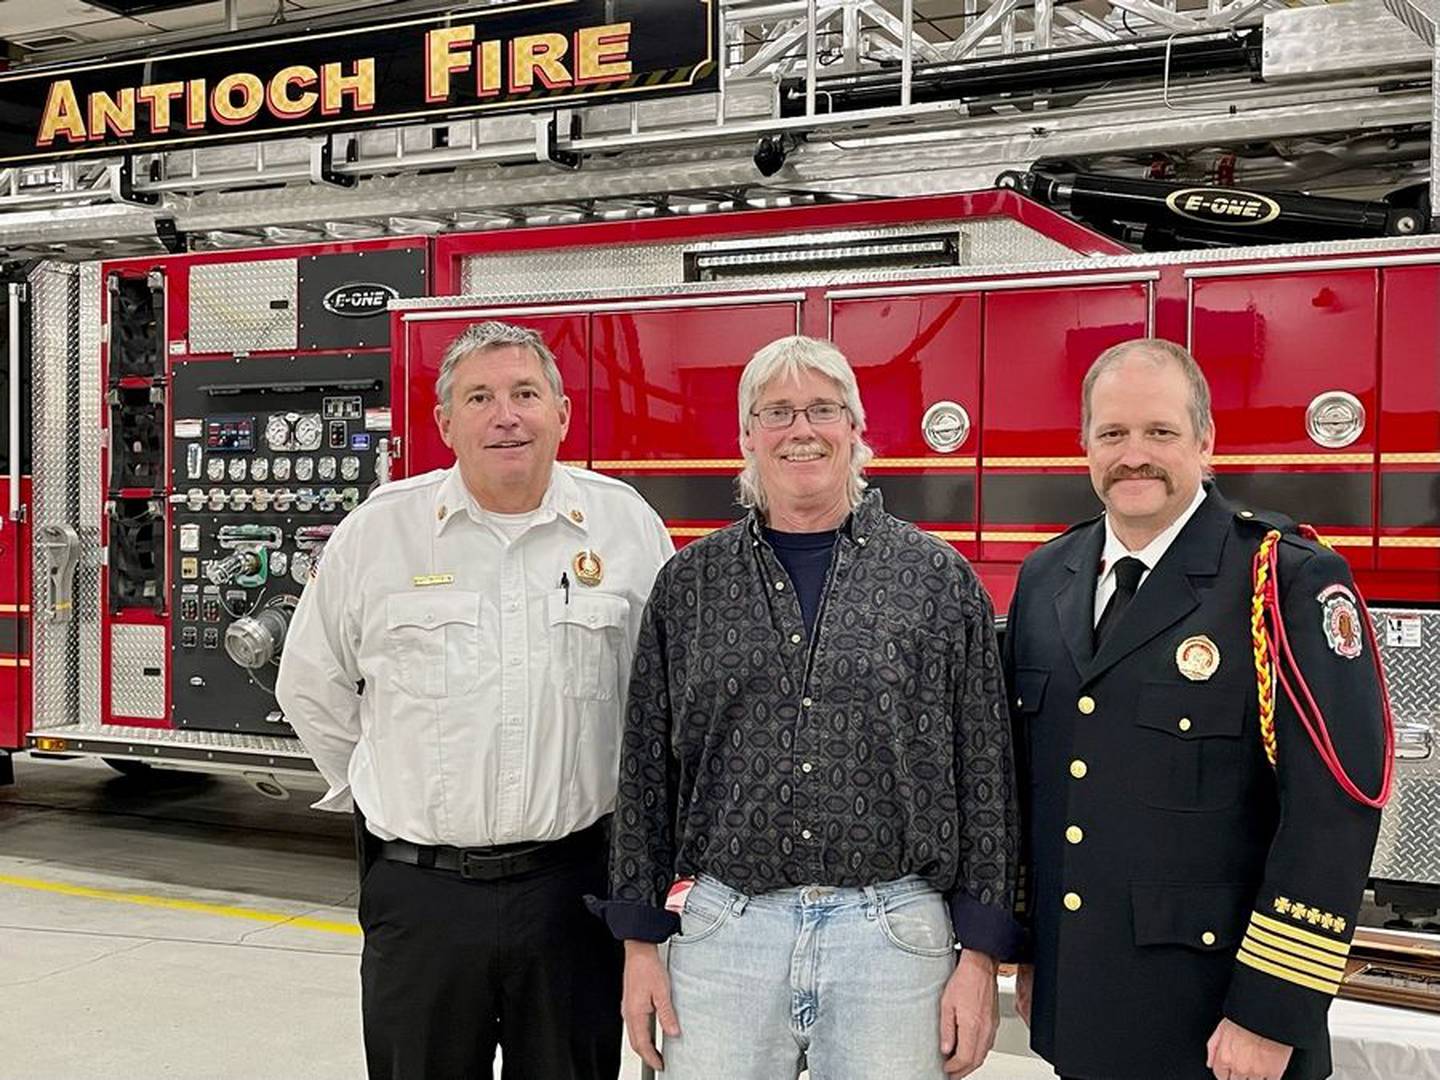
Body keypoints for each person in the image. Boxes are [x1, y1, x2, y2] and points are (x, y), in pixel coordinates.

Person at [593, 335, 1022, 1080]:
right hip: (727, 932)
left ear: (855, 430)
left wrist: (980, 958)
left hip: (892, 938)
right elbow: (644, 773)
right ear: (746, 437)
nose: (801, 429)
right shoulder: (689, 586)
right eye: (778, 412)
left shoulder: (937, 580)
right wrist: (639, 946)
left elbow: (987, 770)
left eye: (822, 409)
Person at [276, 320, 674, 1080]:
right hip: (421, 897)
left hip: (575, 894)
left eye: (526, 393)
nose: (506, 415)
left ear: (562, 412)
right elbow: (310, 683)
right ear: (445, 423)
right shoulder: (381, 531)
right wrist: (376, 783)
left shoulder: (626, 525)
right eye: (481, 397)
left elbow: (657, 698)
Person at [1003, 338, 1388, 1080]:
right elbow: (1036, 792)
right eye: (1112, 433)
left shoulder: (1283, 581)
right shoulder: (1047, 577)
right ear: (1085, 444)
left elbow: (1331, 816)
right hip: (1083, 1007)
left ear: (1205, 441)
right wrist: (1033, 949)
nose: (1133, 454)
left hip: (1221, 1025)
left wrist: (1270, 1011)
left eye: (1160, 432)